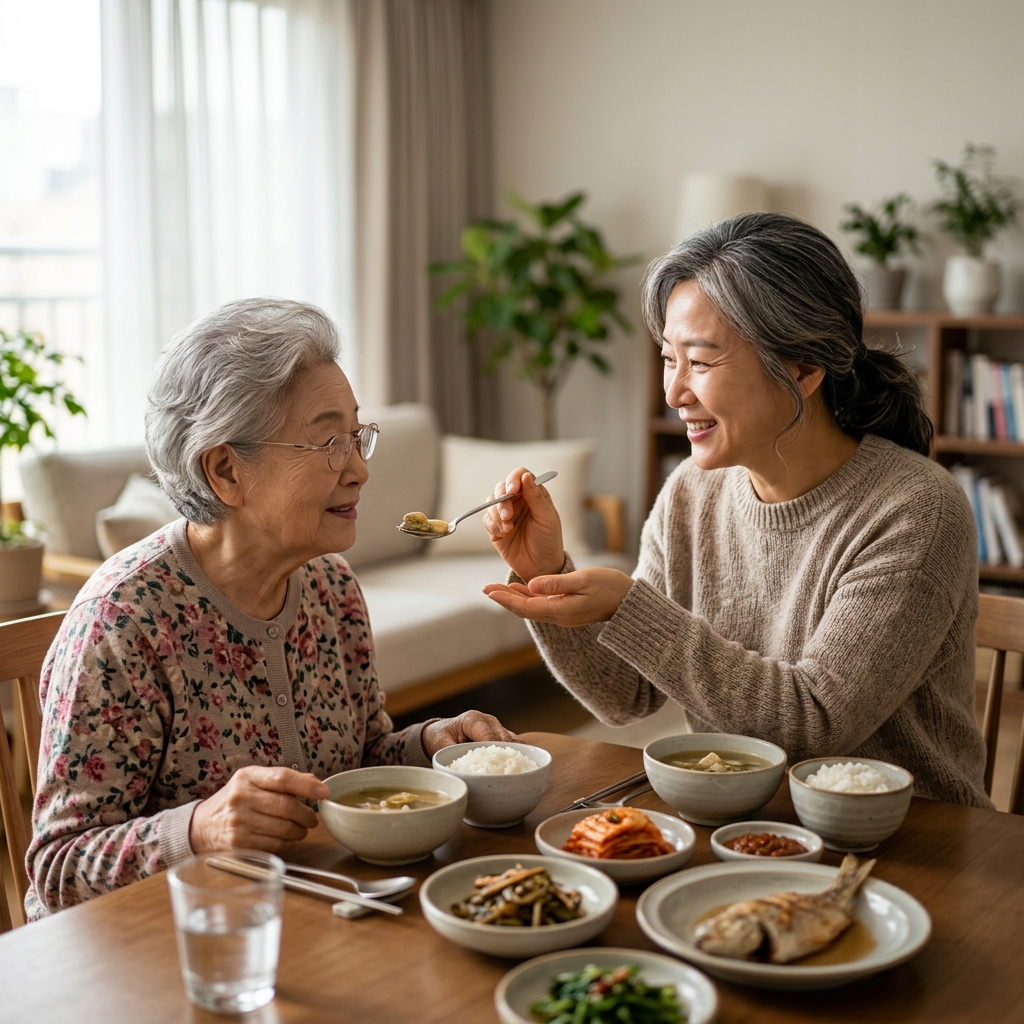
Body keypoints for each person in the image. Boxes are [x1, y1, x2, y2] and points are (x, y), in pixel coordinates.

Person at [26, 298, 515, 918]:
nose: (360, 469)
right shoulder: (123, 621)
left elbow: (361, 760)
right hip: (159, 954)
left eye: (358, 436)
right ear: (226, 470)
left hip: (303, 917)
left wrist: (433, 744)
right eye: (329, 444)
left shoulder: (331, 588)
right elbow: (56, 869)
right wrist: (198, 829)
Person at [482, 213, 990, 808]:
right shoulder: (690, 494)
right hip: (744, 825)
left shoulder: (916, 509)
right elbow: (626, 696)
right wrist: (549, 577)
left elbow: (814, 725)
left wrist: (631, 608)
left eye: (699, 362)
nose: (673, 393)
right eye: (669, 359)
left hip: (912, 842)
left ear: (801, 368)